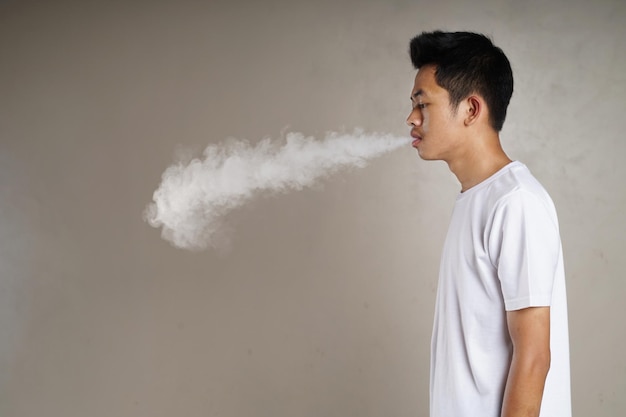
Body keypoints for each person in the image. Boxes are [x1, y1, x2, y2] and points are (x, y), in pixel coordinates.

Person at [406, 31, 571, 417]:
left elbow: (533, 357)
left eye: (422, 103)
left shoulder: (516, 202)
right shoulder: (476, 199)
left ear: (471, 110)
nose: (411, 118)